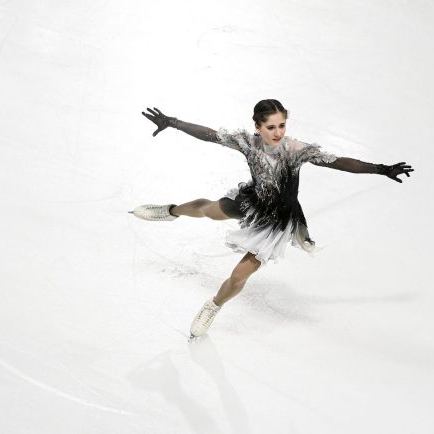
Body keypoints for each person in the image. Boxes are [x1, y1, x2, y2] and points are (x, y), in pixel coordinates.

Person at [131, 99, 414, 339]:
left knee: (240, 274)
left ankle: (213, 305)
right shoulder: (248, 143)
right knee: (208, 210)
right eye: (271, 127)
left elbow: (338, 162)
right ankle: (169, 211)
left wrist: (380, 169)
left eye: (282, 125)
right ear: (258, 127)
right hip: (251, 201)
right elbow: (210, 135)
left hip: (276, 220)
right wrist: (173, 122)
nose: (278, 132)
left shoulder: (296, 150)